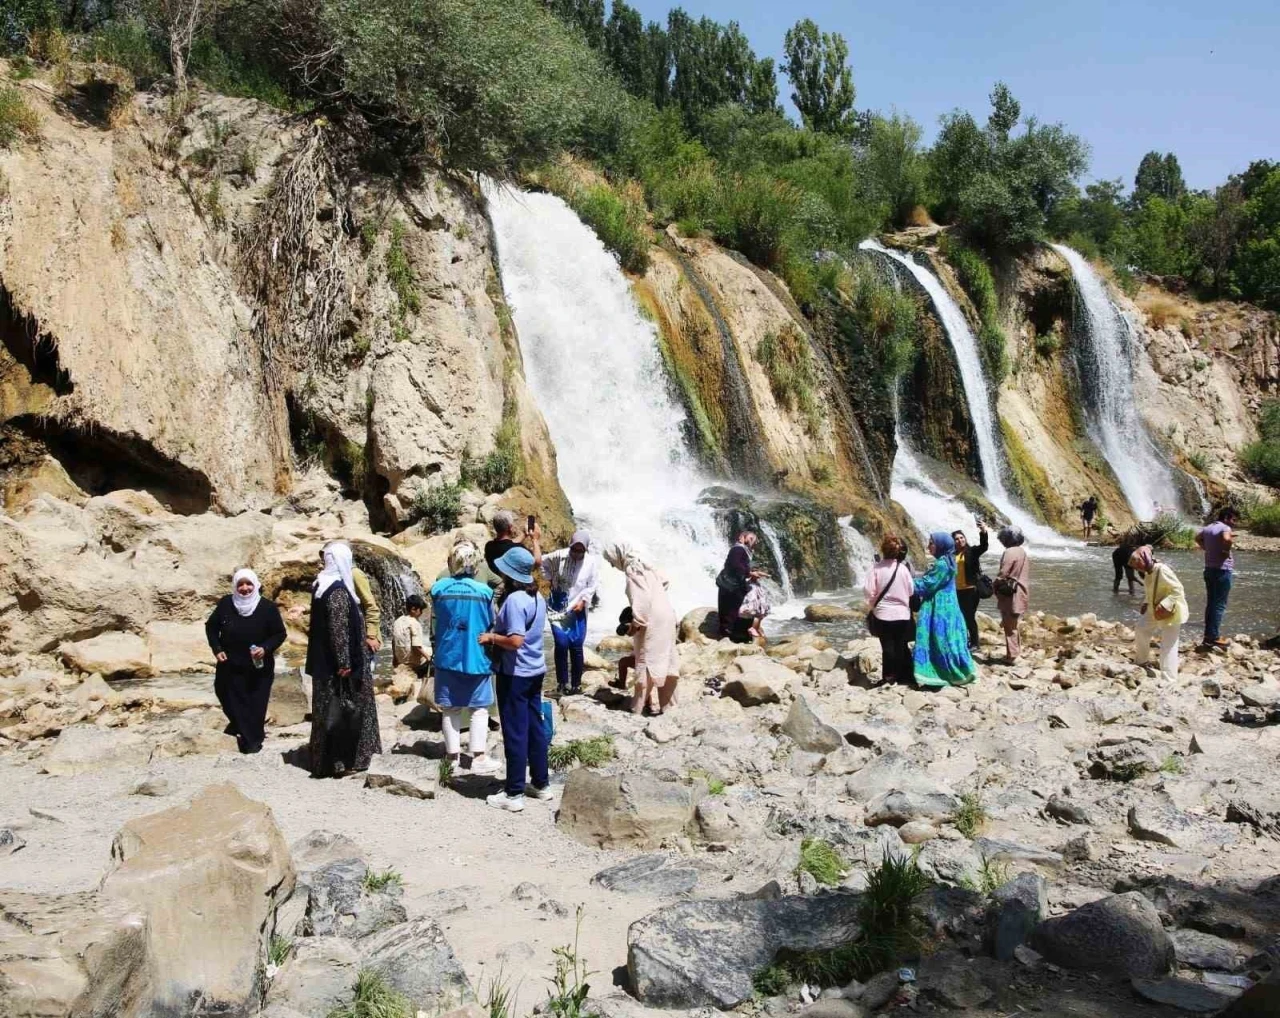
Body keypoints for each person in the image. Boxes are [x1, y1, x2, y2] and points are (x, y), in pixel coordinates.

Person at [480, 547, 552, 812]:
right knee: (534, 728)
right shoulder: (538, 597)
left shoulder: (514, 601)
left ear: (509, 573)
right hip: (535, 670)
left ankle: (513, 794)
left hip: (515, 674)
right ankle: (541, 784)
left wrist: (491, 637)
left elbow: (515, 641)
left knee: (515, 732)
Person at [307, 542, 381, 777]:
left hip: (324, 664)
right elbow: (339, 631)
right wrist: (345, 663)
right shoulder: (338, 591)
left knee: (327, 712)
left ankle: (324, 760)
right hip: (343, 667)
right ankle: (346, 761)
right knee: (348, 711)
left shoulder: (320, 585)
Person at [430, 541, 499, 775]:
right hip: (476, 656)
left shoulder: (439, 589)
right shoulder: (484, 592)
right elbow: (492, 621)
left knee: (450, 708)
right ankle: (479, 757)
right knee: (479, 708)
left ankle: (452, 758)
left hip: (447, 655)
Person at [205, 568, 287, 754]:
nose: (244, 588)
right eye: (240, 584)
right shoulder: (226, 603)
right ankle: (239, 725)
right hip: (230, 663)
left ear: (256, 585)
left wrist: (265, 648)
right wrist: (217, 649)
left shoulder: (267, 607)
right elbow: (211, 627)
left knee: (255, 702)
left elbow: (279, 633)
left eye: (249, 584)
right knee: (224, 693)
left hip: (258, 665)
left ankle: (253, 741)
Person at [605, 544, 681, 716]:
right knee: (666, 660)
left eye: (611, 561)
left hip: (652, 619)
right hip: (667, 615)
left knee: (646, 662)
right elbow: (665, 581)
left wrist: (637, 622)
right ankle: (670, 708)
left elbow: (641, 599)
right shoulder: (646, 565)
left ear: (618, 556)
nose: (612, 565)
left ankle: (637, 708)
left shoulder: (632, 569)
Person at [532, 528, 599, 695]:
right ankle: (562, 684)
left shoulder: (591, 563)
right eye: (574, 549)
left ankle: (576, 685)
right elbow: (541, 562)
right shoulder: (559, 556)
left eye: (580, 551)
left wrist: (584, 601)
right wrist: (550, 578)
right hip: (557, 607)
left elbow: (592, 585)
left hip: (578, 609)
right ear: (570, 546)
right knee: (561, 644)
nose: (576, 553)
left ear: (586, 549)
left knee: (576, 646)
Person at [912, 532, 977, 689]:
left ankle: (940, 673)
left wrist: (906, 580)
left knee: (939, 638)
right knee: (948, 637)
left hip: (940, 608)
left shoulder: (941, 564)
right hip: (950, 606)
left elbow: (927, 584)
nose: (929, 546)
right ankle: (959, 669)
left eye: (931, 543)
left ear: (940, 545)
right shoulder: (949, 560)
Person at [1130, 545, 1189, 681]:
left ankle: (1169, 679)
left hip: (1171, 610)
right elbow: (1151, 589)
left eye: (1138, 566)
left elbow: (1178, 589)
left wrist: (1165, 604)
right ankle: (1141, 661)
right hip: (1154, 608)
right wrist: (1146, 602)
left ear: (1145, 560)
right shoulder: (1148, 572)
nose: (1137, 569)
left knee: (1168, 644)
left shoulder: (1162, 569)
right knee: (1141, 628)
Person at [863, 535, 914, 685]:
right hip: (902, 614)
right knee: (900, 645)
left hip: (883, 613)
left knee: (887, 647)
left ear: (883, 550)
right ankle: (904, 677)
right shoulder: (903, 568)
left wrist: (873, 604)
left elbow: (868, 591)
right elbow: (911, 590)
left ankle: (889, 677)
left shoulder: (876, 568)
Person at [1196, 506, 1238, 653]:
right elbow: (1227, 539)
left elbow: (1197, 538)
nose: (1234, 523)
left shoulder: (1208, 527)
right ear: (1226, 517)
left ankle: (1208, 636)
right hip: (1222, 571)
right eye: (1233, 519)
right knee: (1219, 605)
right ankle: (1213, 637)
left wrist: (1207, 548)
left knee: (1211, 603)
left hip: (1209, 569)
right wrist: (1225, 551)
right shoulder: (1225, 528)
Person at [716, 531, 763, 641]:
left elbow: (740, 565)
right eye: (750, 538)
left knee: (732, 608)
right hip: (731, 585)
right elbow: (736, 565)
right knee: (732, 609)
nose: (752, 541)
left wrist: (751, 572)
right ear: (742, 537)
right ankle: (730, 634)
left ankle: (732, 633)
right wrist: (750, 573)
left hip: (732, 584)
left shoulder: (742, 550)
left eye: (754, 540)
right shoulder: (738, 549)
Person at [993, 527, 1030, 664]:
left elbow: (1004, 572)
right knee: (1014, 623)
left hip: (1010, 593)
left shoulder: (1009, 552)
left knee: (1009, 625)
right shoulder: (1022, 551)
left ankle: (1012, 656)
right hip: (1021, 591)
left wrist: (994, 584)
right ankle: (1016, 652)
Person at [952, 521, 989, 651]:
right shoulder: (952, 555)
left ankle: (974, 643)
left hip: (971, 590)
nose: (960, 540)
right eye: (956, 539)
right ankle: (964, 640)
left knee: (969, 616)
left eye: (961, 537)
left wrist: (983, 531)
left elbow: (984, 546)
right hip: (957, 590)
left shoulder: (972, 551)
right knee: (959, 616)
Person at [391, 594, 431, 678]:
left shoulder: (397, 621)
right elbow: (416, 647)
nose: (421, 613)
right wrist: (428, 657)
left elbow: (393, 641)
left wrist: (395, 658)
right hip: (413, 662)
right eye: (420, 610)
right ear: (413, 609)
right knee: (434, 654)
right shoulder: (414, 623)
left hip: (401, 659)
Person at [484, 510, 523, 575]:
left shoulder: (488, 546)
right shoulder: (517, 548)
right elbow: (537, 562)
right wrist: (535, 540)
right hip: (511, 580)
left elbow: (508, 543)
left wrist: (524, 534)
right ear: (510, 527)